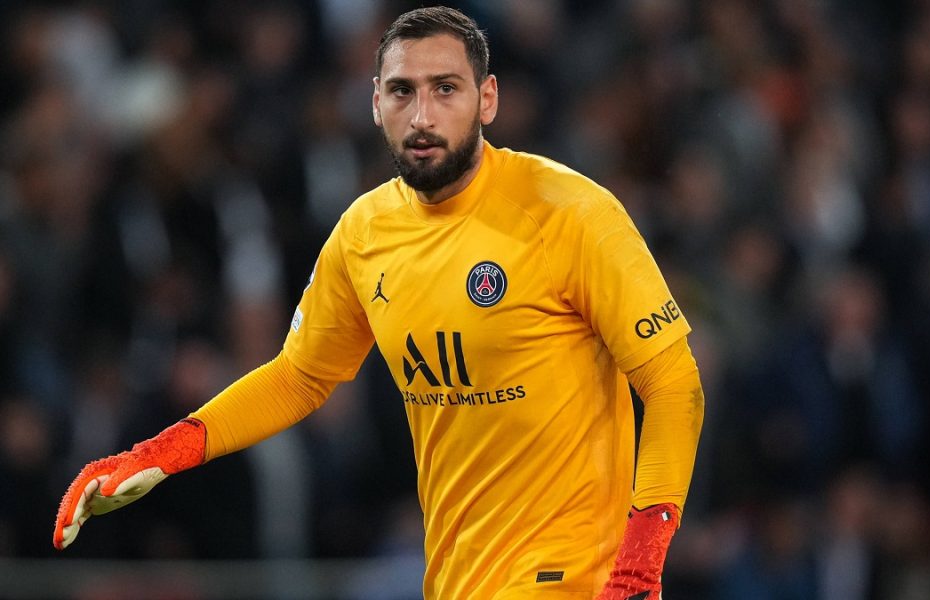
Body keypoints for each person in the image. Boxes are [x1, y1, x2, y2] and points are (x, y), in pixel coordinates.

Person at [53, 7, 705, 599]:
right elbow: (299, 377)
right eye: (402, 91)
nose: (422, 116)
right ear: (374, 104)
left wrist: (639, 565)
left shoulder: (570, 212)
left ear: (487, 99)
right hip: (455, 580)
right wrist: (161, 452)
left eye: (445, 89)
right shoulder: (365, 233)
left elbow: (674, 382)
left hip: (577, 579)